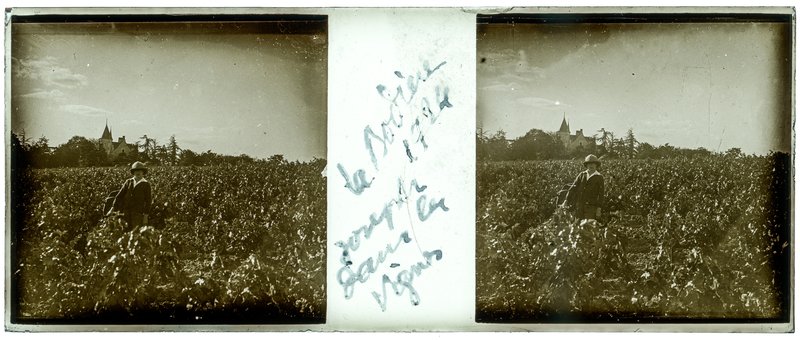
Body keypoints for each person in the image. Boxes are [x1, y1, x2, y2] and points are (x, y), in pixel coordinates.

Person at [108, 161, 152, 228]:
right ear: (133, 172)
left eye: (140, 170)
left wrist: (145, 216)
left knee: (135, 231)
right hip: (125, 212)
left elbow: (148, 201)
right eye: (136, 171)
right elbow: (119, 196)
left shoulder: (146, 184)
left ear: (143, 172)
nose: (138, 172)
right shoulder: (128, 182)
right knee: (124, 230)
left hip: (138, 213)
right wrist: (112, 208)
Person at [562, 154, 604, 221]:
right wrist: (566, 200)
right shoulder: (582, 175)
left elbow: (601, 194)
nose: (591, 165)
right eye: (589, 164)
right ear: (586, 165)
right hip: (579, 206)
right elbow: (573, 188)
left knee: (588, 227)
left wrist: (599, 209)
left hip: (591, 207)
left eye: (593, 164)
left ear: (596, 165)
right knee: (577, 226)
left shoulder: (599, 177)